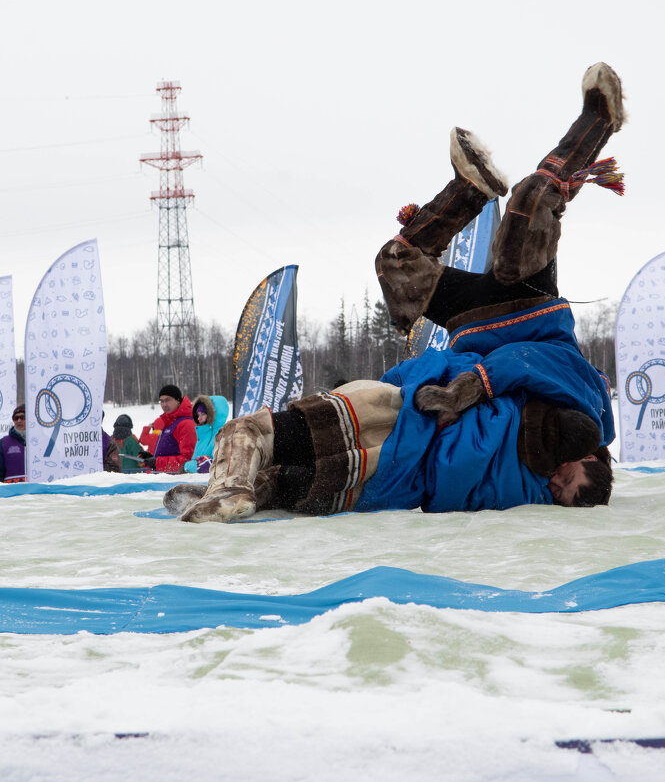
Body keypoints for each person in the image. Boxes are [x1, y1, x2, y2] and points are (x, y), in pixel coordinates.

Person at [167, 61, 624, 523]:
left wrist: (416, 387)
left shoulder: (534, 478)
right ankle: (600, 121)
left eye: (558, 493)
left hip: (473, 326)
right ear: (591, 459)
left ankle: (469, 191)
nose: (556, 480)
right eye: (569, 479)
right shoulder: (591, 413)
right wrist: (468, 390)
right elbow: (531, 361)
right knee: (529, 204)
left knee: (397, 266)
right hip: (526, 311)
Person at [142, 385, 197, 473]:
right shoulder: (170, 421)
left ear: (178, 400)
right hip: (166, 479)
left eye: (167, 400)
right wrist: (152, 457)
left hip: (176, 482)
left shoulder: (186, 424)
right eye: (161, 401)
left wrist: (158, 463)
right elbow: (171, 450)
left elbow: (188, 461)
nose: (164, 405)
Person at [183, 394, 230, 474]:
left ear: (213, 414)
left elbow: (216, 465)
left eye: (203, 414)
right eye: (198, 415)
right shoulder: (202, 434)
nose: (199, 418)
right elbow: (197, 463)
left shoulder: (223, 435)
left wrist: (188, 466)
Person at [0, 404, 27, 483]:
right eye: (16, 418)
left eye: (22, 417)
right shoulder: (3, 443)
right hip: (13, 494)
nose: (19, 421)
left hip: (39, 493)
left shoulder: (43, 442)